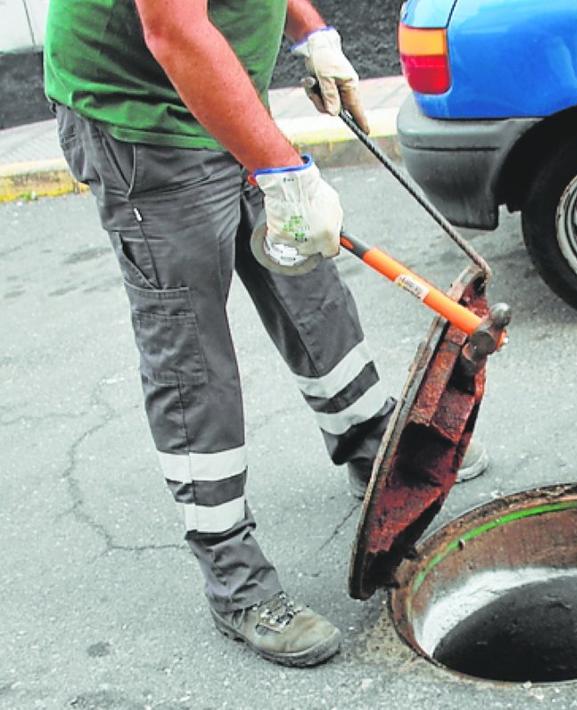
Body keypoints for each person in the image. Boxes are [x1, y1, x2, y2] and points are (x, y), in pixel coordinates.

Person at [44, 0, 487, 667]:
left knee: (307, 282)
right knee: (192, 359)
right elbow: (173, 27)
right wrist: (282, 167)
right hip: (145, 121)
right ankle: (235, 577)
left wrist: (311, 32)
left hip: (220, 89)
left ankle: (369, 440)